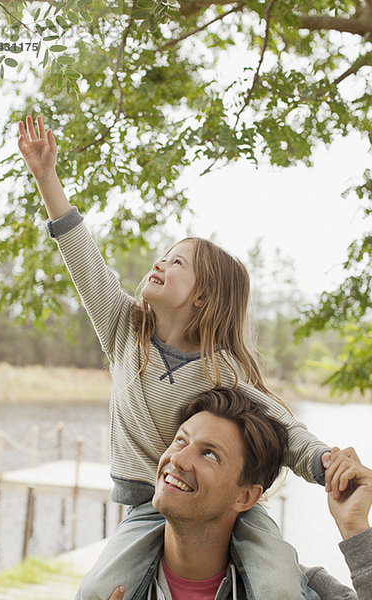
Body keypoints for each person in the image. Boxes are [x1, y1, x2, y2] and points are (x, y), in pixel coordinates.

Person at [18, 114, 334, 600]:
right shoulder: (123, 327)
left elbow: (281, 426)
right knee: (97, 589)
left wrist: (323, 463)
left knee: (276, 588)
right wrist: (46, 176)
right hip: (150, 504)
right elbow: (82, 255)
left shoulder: (220, 369)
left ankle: (303, 577)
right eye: (163, 254)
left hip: (228, 504)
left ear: (203, 298)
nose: (159, 261)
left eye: (177, 261)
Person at [104, 389, 372, 600]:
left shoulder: (298, 590)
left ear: (245, 497)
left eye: (209, 454)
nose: (178, 459)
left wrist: (355, 528)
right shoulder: (118, 583)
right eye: (181, 440)